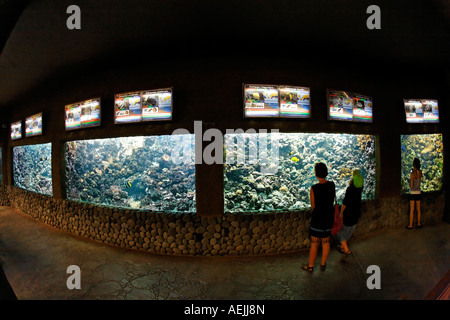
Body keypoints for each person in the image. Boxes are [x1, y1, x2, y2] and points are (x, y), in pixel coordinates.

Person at [302, 162, 336, 273]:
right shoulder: (332, 185)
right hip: (328, 218)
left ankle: (311, 266)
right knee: (326, 242)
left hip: (317, 219)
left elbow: (313, 206)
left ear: (316, 174)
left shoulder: (314, 188)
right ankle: (322, 264)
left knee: (314, 243)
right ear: (326, 172)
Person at [336, 170, 364, 256]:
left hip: (349, 214)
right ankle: (342, 246)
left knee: (340, 233)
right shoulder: (360, 189)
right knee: (349, 231)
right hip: (357, 213)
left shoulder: (350, 189)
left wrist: (341, 213)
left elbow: (345, 203)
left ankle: (346, 250)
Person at [406, 158, 422, 229]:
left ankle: (410, 225)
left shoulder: (412, 173)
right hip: (418, 192)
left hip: (413, 193)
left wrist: (412, 172)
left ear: (414, 164)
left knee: (412, 210)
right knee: (418, 209)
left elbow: (411, 186)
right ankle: (419, 224)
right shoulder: (420, 172)